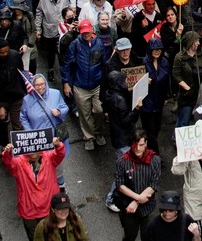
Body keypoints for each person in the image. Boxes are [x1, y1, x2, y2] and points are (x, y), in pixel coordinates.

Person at [2, 136, 67, 240]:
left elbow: (60, 154)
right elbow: (8, 163)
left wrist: (58, 145)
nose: (32, 151)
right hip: (29, 211)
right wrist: (7, 153)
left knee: (53, 237)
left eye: (35, 148)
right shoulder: (18, 163)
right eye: (29, 147)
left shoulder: (49, 158)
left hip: (48, 209)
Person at [61, 20, 107, 150]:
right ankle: (89, 137)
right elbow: (66, 65)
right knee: (84, 113)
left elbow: (104, 63)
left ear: (92, 30)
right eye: (83, 32)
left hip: (97, 84)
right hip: (80, 85)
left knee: (99, 110)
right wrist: (66, 83)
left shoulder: (99, 44)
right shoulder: (75, 45)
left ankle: (98, 133)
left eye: (88, 32)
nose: (86, 35)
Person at [19, 73, 70, 187]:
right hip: (38, 142)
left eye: (42, 84)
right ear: (33, 86)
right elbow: (23, 117)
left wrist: (59, 111)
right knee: (40, 167)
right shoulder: (27, 100)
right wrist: (30, 132)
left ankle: (61, 188)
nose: (40, 87)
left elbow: (65, 108)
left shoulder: (55, 94)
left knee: (57, 167)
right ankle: (44, 189)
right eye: (37, 85)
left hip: (54, 139)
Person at [113, 128, 162, 241]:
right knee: (130, 235)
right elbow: (120, 184)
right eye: (135, 145)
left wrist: (136, 201)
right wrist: (138, 198)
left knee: (148, 236)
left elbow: (154, 184)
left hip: (148, 206)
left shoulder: (154, 160)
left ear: (146, 143)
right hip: (128, 208)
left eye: (141, 145)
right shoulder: (122, 161)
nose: (137, 149)